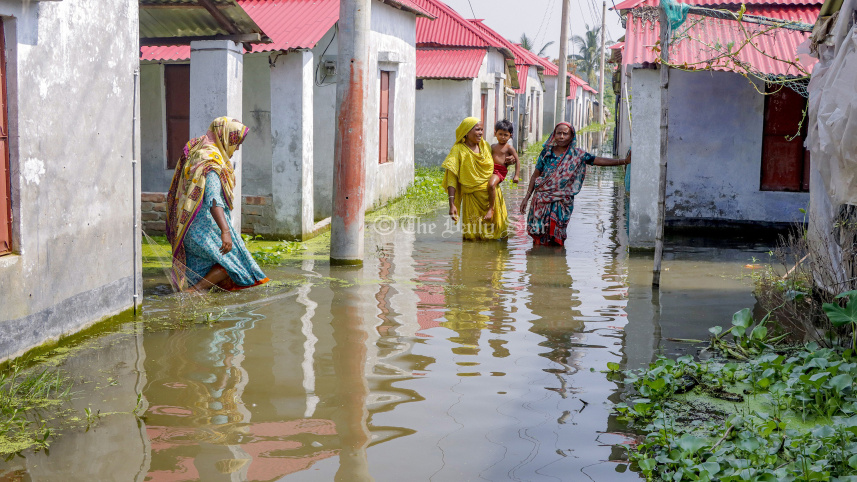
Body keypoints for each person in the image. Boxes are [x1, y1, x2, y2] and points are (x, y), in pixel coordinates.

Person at [166, 117, 270, 292]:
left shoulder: (196, 151)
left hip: (187, 227)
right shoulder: (211, 162)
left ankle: (193, 291)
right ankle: (195, 291)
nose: (236, 148)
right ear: (225, 137)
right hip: (204, 228)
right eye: (235, 143)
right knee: (237, 263)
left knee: (198, 271)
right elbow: (214, 199)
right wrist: (225, 231)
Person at [519, 122, 631, 247]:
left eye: (565, 134)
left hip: (562, 200)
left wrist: (623, 161)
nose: (561, 136)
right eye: (558, 133)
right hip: (540, 199)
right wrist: (526, 197)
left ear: (571, 136)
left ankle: (555, 263)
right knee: (538, 235)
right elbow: (536, 175)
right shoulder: (546, 152)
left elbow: (597, 160)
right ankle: (536, 262)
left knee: (557, 236)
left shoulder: (577, 155)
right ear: (554, 135)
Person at [442, 117, 508, 240]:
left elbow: (497, 165)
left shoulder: (485, 146)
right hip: (472, 199)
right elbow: (451, 178)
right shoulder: (458, 150)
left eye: (482, 130)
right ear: (467, 131)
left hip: (492, 198)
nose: (481, 133)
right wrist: (452, 204)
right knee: (473, 238)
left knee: (498, 238)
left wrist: (508, 161)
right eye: (477, 129)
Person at [484, 119, 520, 222]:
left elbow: (517, 161)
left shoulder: (509, 148)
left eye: (505, 135)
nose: (503, 137)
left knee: (491, 185)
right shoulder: (492, 146)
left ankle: (491, 209)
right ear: (495, 133)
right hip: (491, 170)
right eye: (500, 134)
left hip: (500, 171)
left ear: (510, 136)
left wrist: (516, 175)